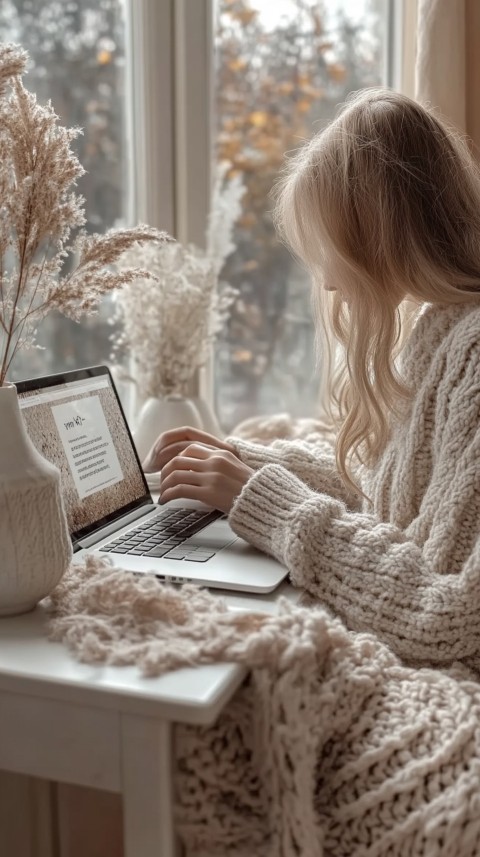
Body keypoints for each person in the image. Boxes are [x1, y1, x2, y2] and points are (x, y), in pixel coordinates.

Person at [143, 87, 480, 676]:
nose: (327, 285)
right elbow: (393, 500)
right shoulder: (443, 325)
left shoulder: (473, 350)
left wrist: (264, 502)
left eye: (330, 250)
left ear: (379, 236)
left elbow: (448, 619)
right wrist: (244, 463)